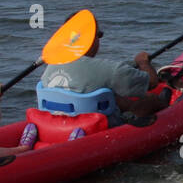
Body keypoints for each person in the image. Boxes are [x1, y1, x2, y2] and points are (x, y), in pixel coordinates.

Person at [39, 13, 169, 124]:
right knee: (152, 99)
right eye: (99, 34)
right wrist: (143, 63)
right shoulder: (110, 70)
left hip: (59, 124)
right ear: (90, 38)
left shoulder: (50, 66)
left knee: (113, 95)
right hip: (101, 127)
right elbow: (152, 82)